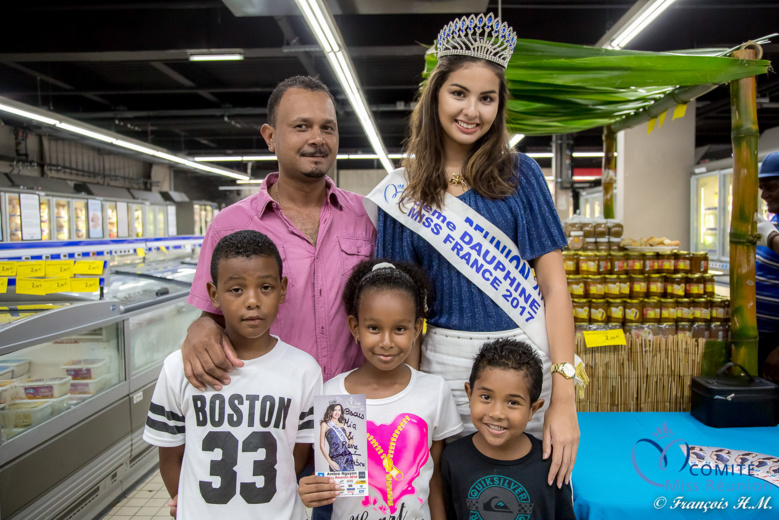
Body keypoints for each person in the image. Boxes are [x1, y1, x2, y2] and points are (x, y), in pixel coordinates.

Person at [364, 12, 582, 488]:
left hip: (525, 360)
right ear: (435, 95)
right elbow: (400, 306)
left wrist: (564, 393)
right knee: (445, 491)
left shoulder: (521, 176)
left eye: (487, 98)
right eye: (459, 93)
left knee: (528, 491)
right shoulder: (403, 192)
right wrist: (404, 394)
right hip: (443, 367)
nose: (472, 111)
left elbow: (554, 288)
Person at [182, 75, 376, 391]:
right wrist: (199, 328)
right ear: (270, 137)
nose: (318, 138)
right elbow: (213, 314)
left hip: (350, 403)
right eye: (301, 126)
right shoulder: (230, 226)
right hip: (272, 406)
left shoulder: (366, 217)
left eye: (327, 127)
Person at [143, 230, 323, 520]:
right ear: (214, 294)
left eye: (265, 287)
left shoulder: (304, 370)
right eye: (236, 289)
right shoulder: (179, 368)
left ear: (282, 289)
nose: (252, 301)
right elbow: (170, 456)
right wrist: (188, 503)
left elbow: (296, 458)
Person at [298, 260, 463, 519]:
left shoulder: (435, 392)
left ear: (416, 329)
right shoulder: (332, 395)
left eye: (399, 329)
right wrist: (311, 490)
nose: (386, 342)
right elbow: (326, 479)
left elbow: (434, 479)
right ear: (355, 328)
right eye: (374, 328)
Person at [441, 339, 575, 519]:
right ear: (469, 393)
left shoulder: (550, 465)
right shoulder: (452, 458)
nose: (497, 413)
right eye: (486, 397)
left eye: (513, 402)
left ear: (533, 409)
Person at [755, 151, 779, 380]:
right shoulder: (774, 221)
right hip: (760, 337)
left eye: (770, 187)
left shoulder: (772, 231)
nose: (764, 195)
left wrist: (771, 238)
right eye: (761, 187)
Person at [319, 402, 355, 471]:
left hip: (348, 459)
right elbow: (321, 446)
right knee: (336, 481)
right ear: (330, 411)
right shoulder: (325, 424)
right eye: (335, 410)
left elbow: (351, 438)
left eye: (339, 410)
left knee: (350, 481)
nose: (337, 412)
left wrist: (349, 445)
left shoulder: (343, 425)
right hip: (335, 459)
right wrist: (330, 462)